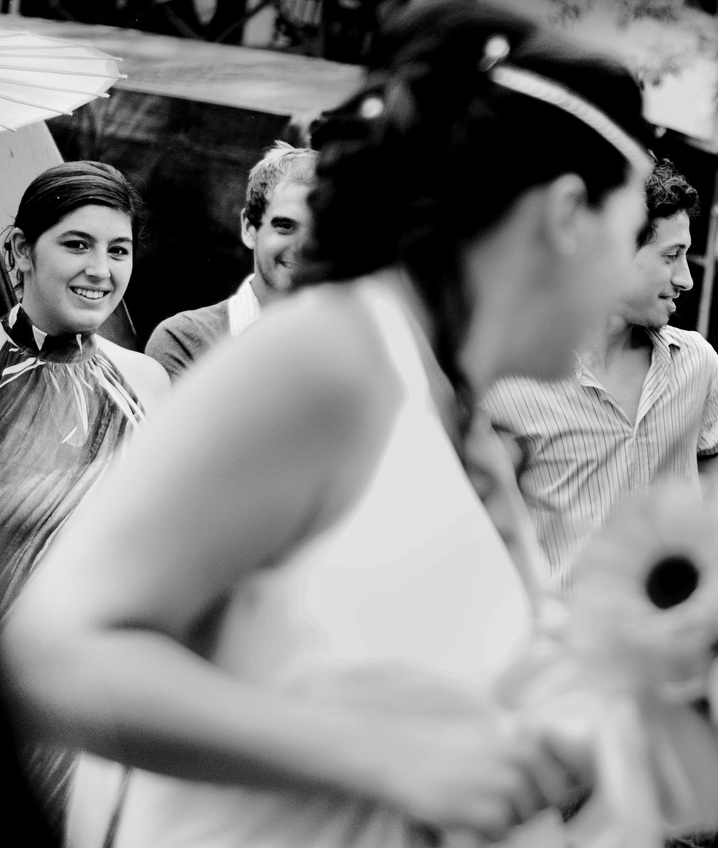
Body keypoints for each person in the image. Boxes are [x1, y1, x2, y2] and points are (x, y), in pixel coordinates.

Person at [0, 3, 653, 847]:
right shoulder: (330, 358)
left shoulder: (454, 413)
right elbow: (59, 654)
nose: (634, 280)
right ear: (566, 215)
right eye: (634, 233)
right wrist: (388, 758)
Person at [0, 159, 168, 829]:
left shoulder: (146, 383)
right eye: (76, 243)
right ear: (19, 250)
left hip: (87, 703)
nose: (100, 268)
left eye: (118, 249)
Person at [483, 160, 718, 590]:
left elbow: (716, 477)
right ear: (616, 250)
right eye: (671, 256)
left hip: (668, 643)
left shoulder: (698, 365)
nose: (686, 279)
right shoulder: (512, 381)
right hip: (558, 641)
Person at [145, 141, 317, 379]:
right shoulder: (185, 340)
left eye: (322, 231)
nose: (303, 246)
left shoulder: (360, 345)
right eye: (285, 226)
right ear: (249, 228)